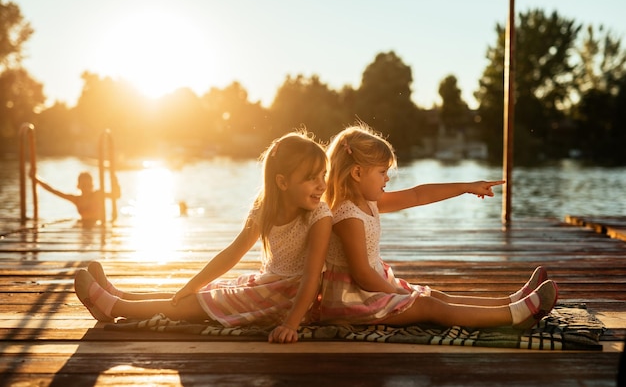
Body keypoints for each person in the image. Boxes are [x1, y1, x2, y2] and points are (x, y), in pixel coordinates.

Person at [74, 131, 332, 344]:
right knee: (199, 294)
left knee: (198, 305)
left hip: (294, 300)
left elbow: (312, 277)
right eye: (312, 179)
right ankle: (120, 295)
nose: (322, 185)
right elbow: (233, 253)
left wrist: (291, 324)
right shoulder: (264, 209)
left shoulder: (318, 216)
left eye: (323, 176)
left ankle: (113, 306)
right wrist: (192, 284)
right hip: (268, 286)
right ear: (282, 182)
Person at [318, 123, 558, 330]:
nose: (387, 178)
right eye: (382, 172)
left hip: (369, 289)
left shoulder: (368, 201)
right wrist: (402, 294)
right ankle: (516, 316)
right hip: (351, 301)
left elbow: (417, 195)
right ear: (357, 173)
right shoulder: (347, 215)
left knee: (433, 295)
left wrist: (467, 186)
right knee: (429, 306)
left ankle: (512, 301)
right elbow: (362, 274)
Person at [30, 169, 120, 228]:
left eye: (88, 185)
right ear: (78, 186)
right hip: (82, 225)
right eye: (83, 185)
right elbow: (54, 191)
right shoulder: (77, 199)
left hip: (99, 225)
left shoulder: (97, 194)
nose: (86, 188)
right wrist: (36, 179)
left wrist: (114, 179)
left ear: (92, 185)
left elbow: (116, 196)